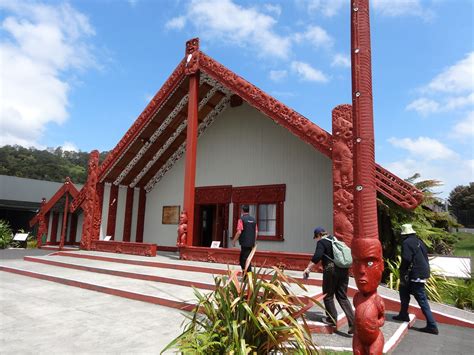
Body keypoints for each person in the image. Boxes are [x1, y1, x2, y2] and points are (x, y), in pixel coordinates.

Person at [303, 226, 355, 334]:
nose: (316, 239)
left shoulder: (322, 242)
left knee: (328, 295)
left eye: (316, 237)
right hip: (344, 270)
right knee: (342, 297)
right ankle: (353, 323)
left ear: (318, 235)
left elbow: (317, 256)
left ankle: (331, 320)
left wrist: (308, 268)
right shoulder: (335, 240)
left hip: (330, 269)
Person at [393, 223, 439, 335]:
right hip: (422, 271)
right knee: (403, 290)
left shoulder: (407, 242)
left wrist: (402, 270)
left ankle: (432, 325)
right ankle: (403, 314)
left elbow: (406, 259)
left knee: (422, 300)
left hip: (415, 274)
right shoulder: (419, 241)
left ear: (404, 234)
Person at [232, 205, 258, 273]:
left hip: (244, 243)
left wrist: (234, 241)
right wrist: (253, 241)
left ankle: (248, 276)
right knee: (244, 259)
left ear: (242, 210)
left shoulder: (241, 219)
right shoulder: (253, 220)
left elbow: (239, 231)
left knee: (244, 259)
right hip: (251, 243)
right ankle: (245, 275)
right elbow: (256, 232)